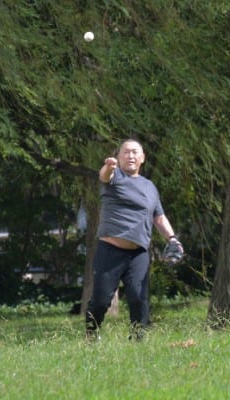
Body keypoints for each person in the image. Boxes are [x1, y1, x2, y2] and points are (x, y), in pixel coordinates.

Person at [85, 138, 182, 340]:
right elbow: (104, 176)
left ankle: (138, 339)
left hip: (138, 253)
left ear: (142, 158)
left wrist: (172, 238)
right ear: (119, 157)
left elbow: (159, 217)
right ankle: (91, 334)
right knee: (101, 301)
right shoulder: (115, 176)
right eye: (126, 152)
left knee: (139, 299)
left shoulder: (150, 187)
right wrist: (108, 166)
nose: (130, 155)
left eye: (135, 152)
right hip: (110, 250)